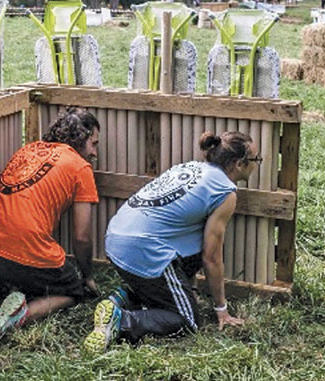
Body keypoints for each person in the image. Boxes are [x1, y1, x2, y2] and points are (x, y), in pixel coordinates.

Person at [83, 131, 254, 353]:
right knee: (187, 320)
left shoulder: (190, 167)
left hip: (116, 239)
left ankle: (121, 298)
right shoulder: (225, 192)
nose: (257, 164)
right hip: (143, 248)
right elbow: (211, 257)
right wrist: (221, 309)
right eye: (256, 159)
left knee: (184, 262)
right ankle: (122, 321)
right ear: (239, 164)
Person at [0, 107, 101, 345]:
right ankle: (19, 316)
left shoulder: (28, 150)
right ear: (81, 139)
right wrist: (88, 276)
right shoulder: (80, 167)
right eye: (94, 143)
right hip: (20, 246)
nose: (94, 153)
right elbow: (81, 237)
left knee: (26, 270)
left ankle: (11, 287)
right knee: (73, 290)